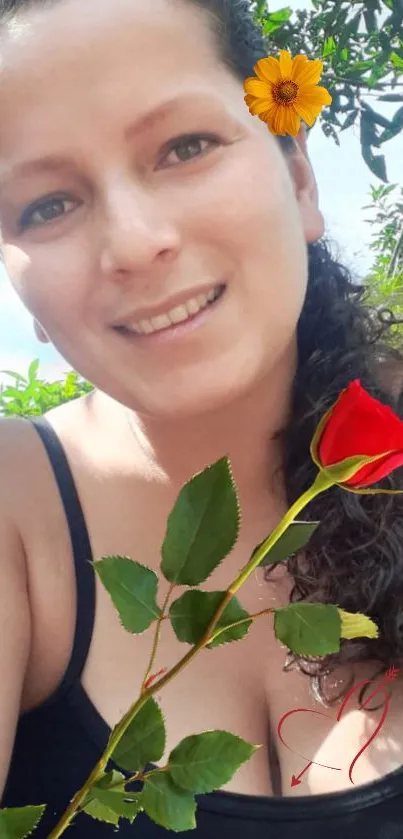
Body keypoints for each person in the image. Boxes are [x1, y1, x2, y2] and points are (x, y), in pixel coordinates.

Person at [0, 0, 403, 835]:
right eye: (46, 206)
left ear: (298, 179)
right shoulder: (16, 511)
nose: (135, 242)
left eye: (185, 147)